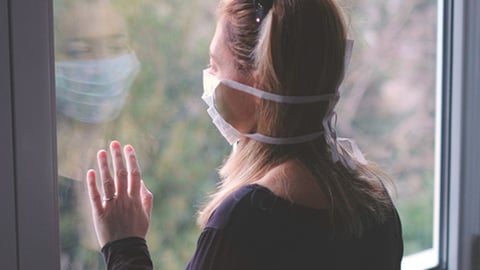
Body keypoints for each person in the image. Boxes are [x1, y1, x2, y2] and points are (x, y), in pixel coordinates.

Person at [85, 0, 404, 269]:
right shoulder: (374, 202)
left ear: (258, 84)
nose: (209, 78)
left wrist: (124, 245)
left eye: (215, 65)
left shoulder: (246, 220)